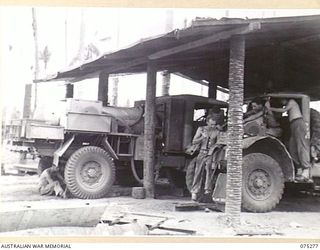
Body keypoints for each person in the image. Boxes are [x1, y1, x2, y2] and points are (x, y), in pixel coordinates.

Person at [265, 98, 311, 181]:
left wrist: (269, 109)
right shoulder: (289, 105)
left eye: (282, 101)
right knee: (292, 148)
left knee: (301, 146)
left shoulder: (292, 101)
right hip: (293, 124)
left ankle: (306, 171)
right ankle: (299, 170)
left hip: (298, 123)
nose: (282, 102)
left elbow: (283, 110)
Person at [189, 113, 222, 201]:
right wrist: (202, 138)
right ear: (207, 122)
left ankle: (207, 191)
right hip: (202, 153)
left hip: (211, 154)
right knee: (198, 172)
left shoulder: (217, 131)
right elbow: (194, 141)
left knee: (209, 171)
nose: (213, 126)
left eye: (214, 125)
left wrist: (214, 148)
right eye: (211, 124)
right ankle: (194, 192)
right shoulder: (201, 129)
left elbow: (219, 143)